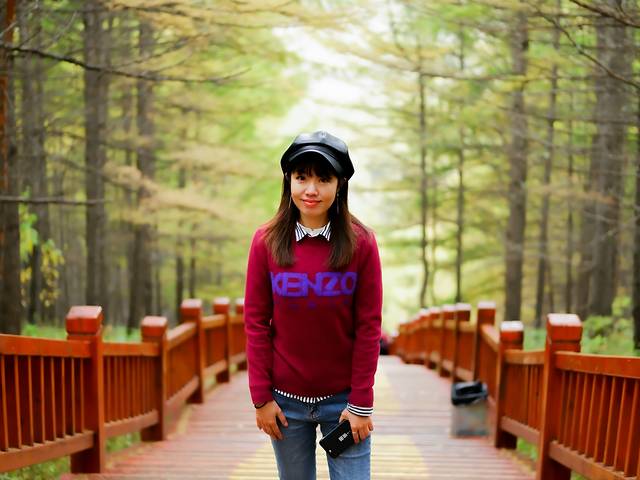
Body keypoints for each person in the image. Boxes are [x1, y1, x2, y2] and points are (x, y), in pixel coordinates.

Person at [244, 130, 383, 480]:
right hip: (284, 404)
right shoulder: (265, 242)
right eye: (301, 177)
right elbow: (256, 323)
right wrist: (261, 399)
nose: (311, 190)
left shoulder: (362, 243)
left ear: (340, 185)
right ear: (288, 180)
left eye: (323, 179)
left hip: (345, 403)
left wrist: (361, 404)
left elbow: (369, 327)